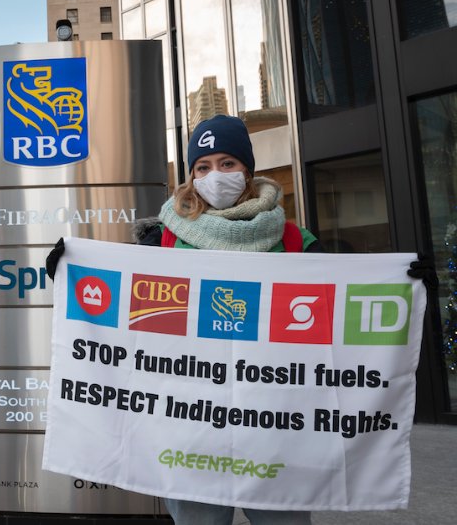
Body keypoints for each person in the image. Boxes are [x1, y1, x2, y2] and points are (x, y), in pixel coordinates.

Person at [45, 114, 437, 524]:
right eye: (203, 166)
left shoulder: (294, 241)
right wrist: (68, 277)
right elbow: (121, 317)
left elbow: (337, 321)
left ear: (247, 169)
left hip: (277, 435)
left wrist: (407, 288)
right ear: (191, 176)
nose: (216, 175)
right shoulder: (158, 240)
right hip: (187, 436)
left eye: (227, 163)